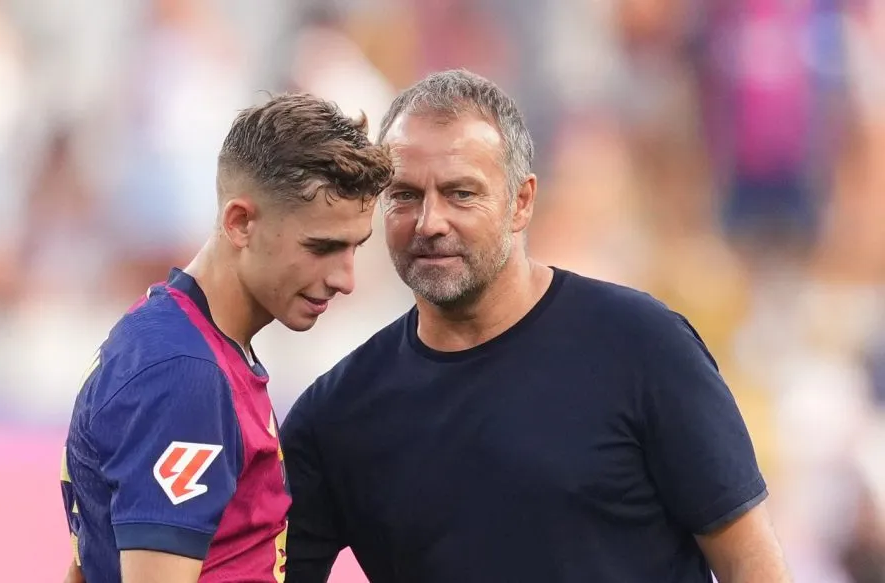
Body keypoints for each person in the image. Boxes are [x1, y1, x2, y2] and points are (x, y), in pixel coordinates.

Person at [280, 70, 793, 583]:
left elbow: (750, 562)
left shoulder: (644, 347)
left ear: (521, 202)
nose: (430, 222)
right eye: (406, 195)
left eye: (461, 193)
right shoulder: (336, 416)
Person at [59, 93, 393, 583]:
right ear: (240, 223)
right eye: (322, 247)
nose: (346, 278)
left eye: (354, 249)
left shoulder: (175, 336)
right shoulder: (185, 373)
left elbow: (90, 559)